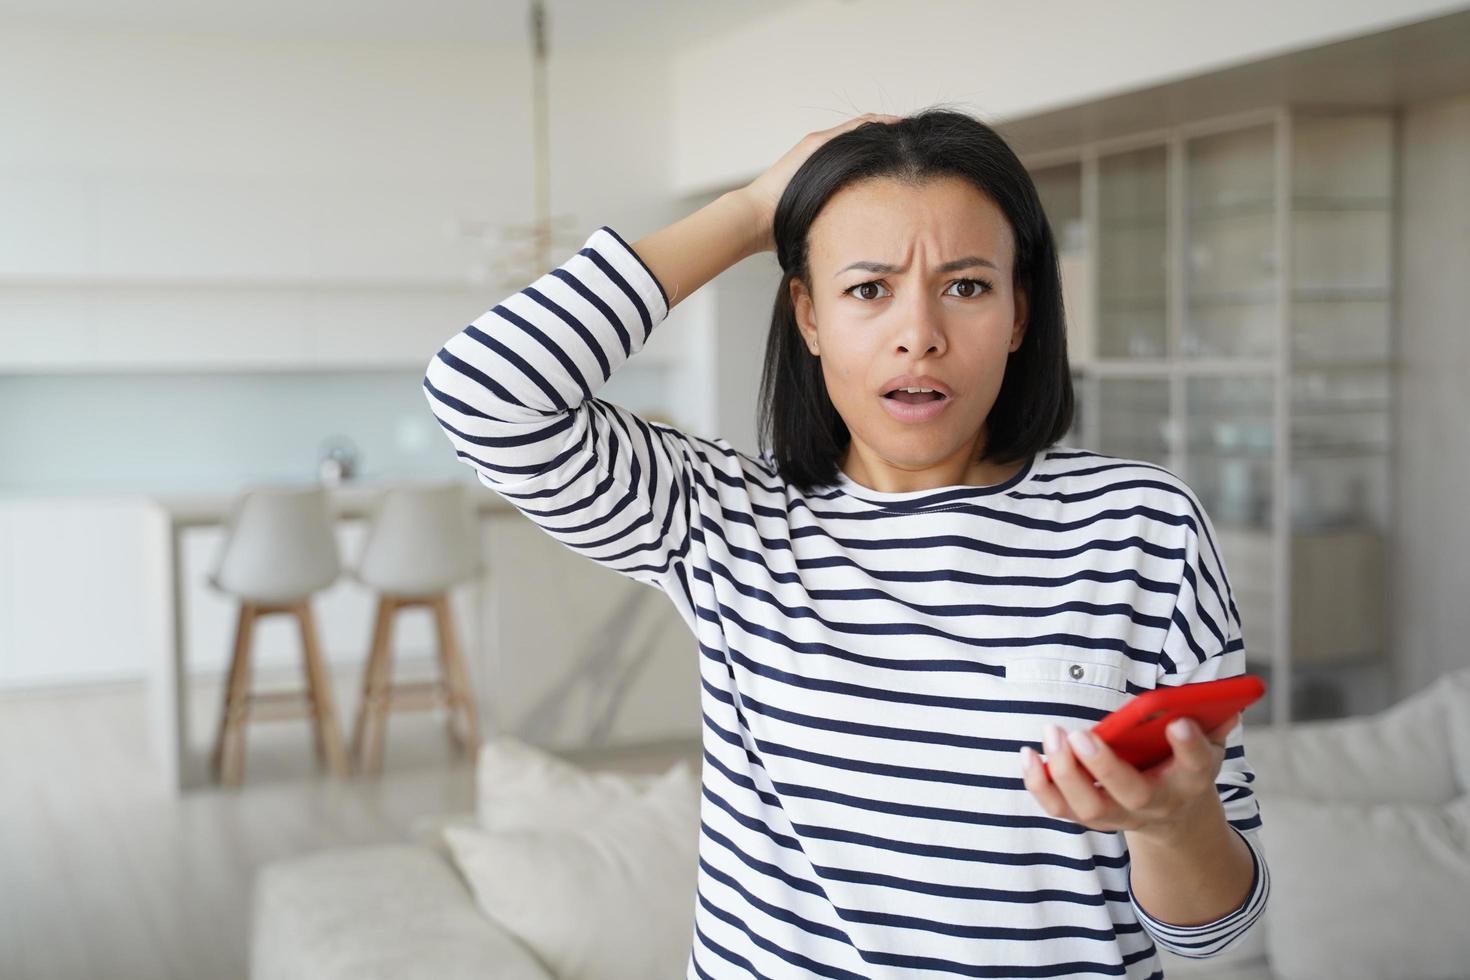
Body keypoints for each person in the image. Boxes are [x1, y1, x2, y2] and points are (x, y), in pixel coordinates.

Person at [424, 109, 1269, 979]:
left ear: (1021, 310)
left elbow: (1211, 932)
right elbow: (484, 396)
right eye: (868, 289)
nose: (920, 334)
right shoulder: (724, 518)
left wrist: (1175, 825)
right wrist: (753, 210)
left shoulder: (1143, 526)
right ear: (809, 314)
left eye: (968, 286)